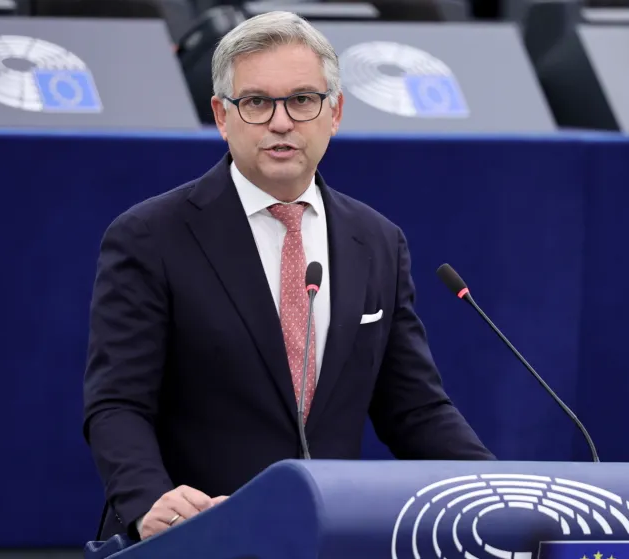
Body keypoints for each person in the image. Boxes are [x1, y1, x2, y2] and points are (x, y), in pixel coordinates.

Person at [82, 10, 495, 543]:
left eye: (302, 100)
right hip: (196, 536)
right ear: (221, 115)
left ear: (335, 112)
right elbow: (117, 403)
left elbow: (414, 409)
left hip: (326, 539)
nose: (281, 122)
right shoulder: (151, 236)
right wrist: (148, 499)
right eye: (256, 102)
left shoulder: (376, 241)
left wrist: (497, 491)